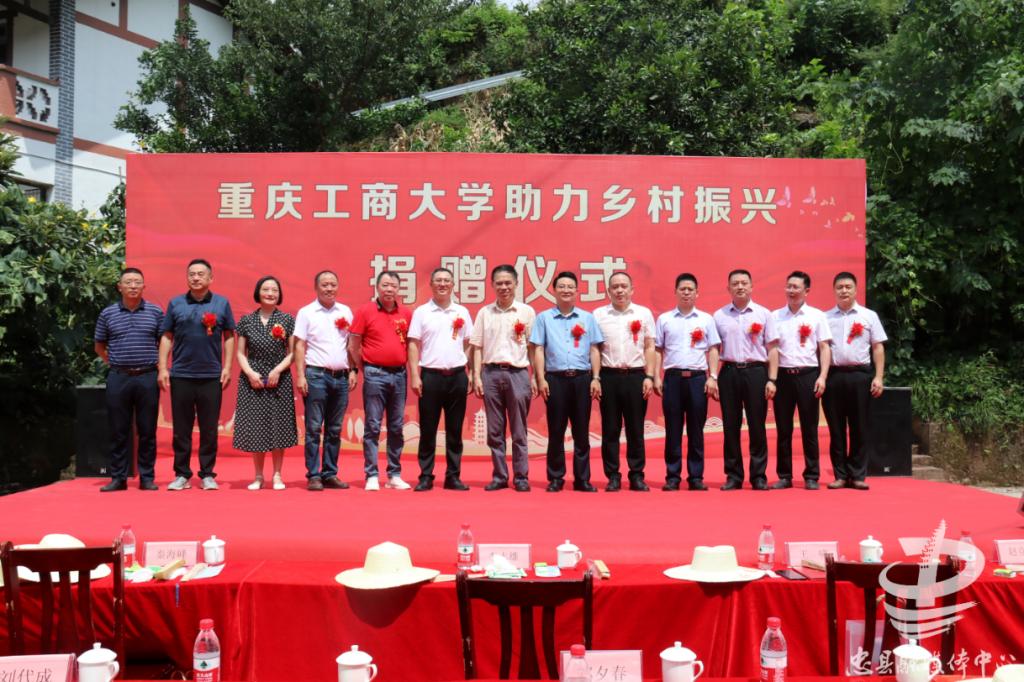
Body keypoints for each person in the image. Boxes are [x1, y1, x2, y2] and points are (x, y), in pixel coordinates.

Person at [158, 258, 236, 490]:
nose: (196, 277)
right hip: (181, 374)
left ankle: (207, 474)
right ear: (187, 278)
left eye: (201, 274)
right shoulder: (176, 303)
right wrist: (163, 368)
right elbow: (166, 336)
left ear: (211, 278)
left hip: (211, 375)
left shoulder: (221, 303)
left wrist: (227, 367)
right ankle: (182, 474)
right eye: (191, 274)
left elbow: (229, 336)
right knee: (181, 429)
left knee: (209, 428)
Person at [530, 271, 603, 492]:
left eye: (570, 286)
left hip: (582, 379)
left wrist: (596, 378)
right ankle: (556, 478)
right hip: (555, 380)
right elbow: (538, 349)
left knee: (581, 431)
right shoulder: (544, 318)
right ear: (554, 290)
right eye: (561, 286)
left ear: (577, 290)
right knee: (556, 431)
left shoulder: (587, 318)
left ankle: (582, 479)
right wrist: (540, 378)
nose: (566, 290)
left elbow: (594, 349)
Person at [94, 268, 164, 491]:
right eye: (128, 282)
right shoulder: (108, 313)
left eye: (137, 282)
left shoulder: (155, 312)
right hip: (119, 377)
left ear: (144, 286)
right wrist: (114, 362)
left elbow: (164, 343)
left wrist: (161, 368)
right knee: (118, 430)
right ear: (119, 287)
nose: (133, 286)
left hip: (147, 376)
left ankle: (147, 477)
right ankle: (118, 477)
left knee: (147, 430)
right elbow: (99, 345)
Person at [470, 264, 537, 492]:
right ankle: (499, 476)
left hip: (518, 373)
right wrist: (476, 376)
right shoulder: (485, 312)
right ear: (492, 285)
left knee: (519, 430)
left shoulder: (526, 312)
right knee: (494, 430)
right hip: (490, 374)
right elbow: (477, 346)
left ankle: (521, 477)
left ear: (516, 284)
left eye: (508, 282)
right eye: (499, 283)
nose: (504, 287)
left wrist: (536, 376)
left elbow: (532, 348)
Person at [408, 268, 474, 491]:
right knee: (428, 429)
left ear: (453, 285)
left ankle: (453, 476)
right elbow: (413, 344)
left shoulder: (462, 311)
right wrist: (415, 375)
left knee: (455, 430)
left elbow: (469, 343)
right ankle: (426, 475)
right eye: (438, 280)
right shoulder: (422, 312)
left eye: (447, 280)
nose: (442, 284)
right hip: (431, 377)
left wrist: (470, 371)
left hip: (457, 376)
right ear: (431, 284)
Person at [654, 273, 721, 491]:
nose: (686, 292)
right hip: (672, 379)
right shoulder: (665, 319)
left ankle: (696, 477)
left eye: (690, 289)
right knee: (673, 429)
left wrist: (713, 376)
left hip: (697, 379)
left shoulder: (706, 319)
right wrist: (656, 376)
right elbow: (658, 350)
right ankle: (672, 476)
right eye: (682, 289)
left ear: (697, 293)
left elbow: (713, 349)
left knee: (696, 430)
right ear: (675, 292)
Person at [713, 269, 779, 491]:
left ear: (751, 286)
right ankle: (733, 475)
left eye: (744, 283)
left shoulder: (764, 314)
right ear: (728, 288)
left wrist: (772, 379)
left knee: (757, 425)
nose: (740, 287)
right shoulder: (719, 315)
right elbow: (714, 349)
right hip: (729, 372)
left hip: (756, 372)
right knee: (730, 426)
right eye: (735, 283)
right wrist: (713, 376)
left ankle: (758, 475)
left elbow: (772, 348)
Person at [349, 271, 413, 491]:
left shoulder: (406, 313)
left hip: (400, 375)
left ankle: (394, 474)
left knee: (396, 426)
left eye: (393, 285)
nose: (389, 289)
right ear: (377, 287)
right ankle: (372, 474)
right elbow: (353, 345)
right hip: (375, 374)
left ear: (399, 289)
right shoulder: (365, 311)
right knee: (373, 425)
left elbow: (410, 345)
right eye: (385, 285)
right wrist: (365, 367)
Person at [233, 275, 299, 491]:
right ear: (258, 293)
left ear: (279, 295)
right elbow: (240, 353)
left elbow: (293, 353)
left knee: (278, 426)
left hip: (279, 378)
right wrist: (250, 373)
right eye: (266, 289)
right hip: (252, 379)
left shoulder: (287, 320)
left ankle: (277, 475)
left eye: (274, 290)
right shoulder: (246, 321)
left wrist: (278, 370)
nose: (270, 293)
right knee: (256, 427)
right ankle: (258, 476)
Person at [823, 272, 887, 491]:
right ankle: (840, 475)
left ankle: (858, 475)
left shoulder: (869, 316)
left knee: (860, 427)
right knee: (836, 429)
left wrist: (878, 376)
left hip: (861, 376)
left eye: (848, 287)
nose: (844, 291)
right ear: (834, 290)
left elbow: (878, 347)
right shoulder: (825, 317)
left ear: (855, 289)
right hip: (834, 377)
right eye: (840, 287)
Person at [294, 271, 357, 491]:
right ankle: (313, 475)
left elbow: (351, 344)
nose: (329, 288)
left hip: (341, 377)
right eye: (324, 285)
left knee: (335, 428)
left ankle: (330, 473)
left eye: (332, 284)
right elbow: (299, 345)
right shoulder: (306, 312)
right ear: (316, 287)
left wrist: (353, 370)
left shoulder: (345, 311)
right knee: (313, 428)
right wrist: (300, 375)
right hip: (316, 376)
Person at [593, 272, 656, 491]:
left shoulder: (643, 313)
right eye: (615, 287)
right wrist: (596, 377)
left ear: (631, 289)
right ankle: (613, 475)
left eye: (623, 286)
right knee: (610, 429)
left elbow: (650, 346)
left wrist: (650, 376)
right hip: (608, 376)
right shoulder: (599, 314)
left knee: (635, 429)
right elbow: (595, 348)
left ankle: (637, 475)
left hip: (636, 376)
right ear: (608, 291)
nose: (619, 290)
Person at [771, 271, 832, 490]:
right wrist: (772, 379)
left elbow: (824, 347)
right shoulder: (775, 316)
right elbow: (772, 348)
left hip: (808, 375)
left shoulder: (817, 316)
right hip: (783, 377)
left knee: (809, 427)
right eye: (788, 286)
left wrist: (822, 376)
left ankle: (812, 475)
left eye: (795, 287)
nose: (791, 290)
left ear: (806, 291)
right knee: (783, 429)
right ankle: (784, 475)